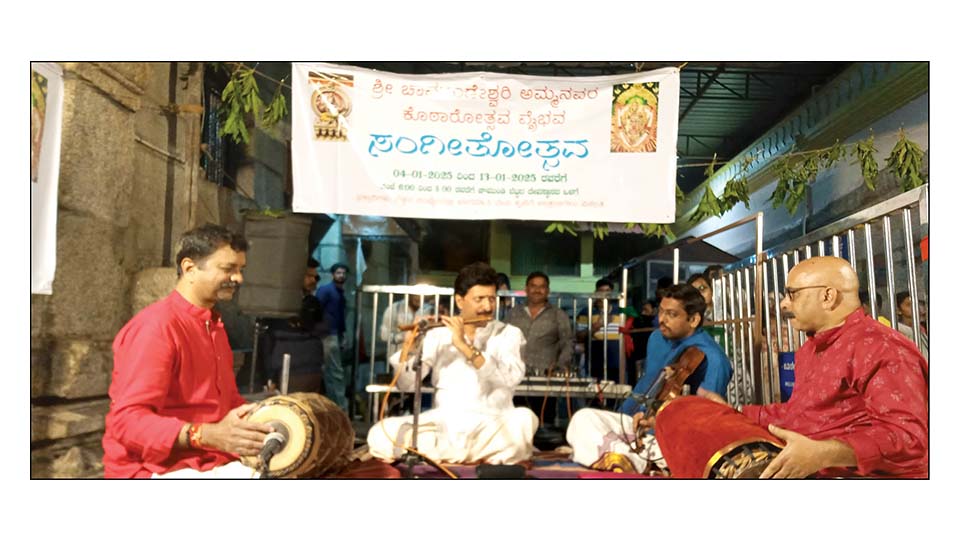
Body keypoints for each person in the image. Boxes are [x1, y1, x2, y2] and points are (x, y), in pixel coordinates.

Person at [663, 256, 929, 478]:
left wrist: (825, 453)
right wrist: (734, 412)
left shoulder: (882, 348)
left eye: (792, 294)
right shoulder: (811, 348)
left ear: (828, 296)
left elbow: (908, 438)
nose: (783, 304)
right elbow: (799, 415)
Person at [102, 224, 273, 478]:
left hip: (210, 462)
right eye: (228, 269)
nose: (238, 278)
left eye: (240, 269)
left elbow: (224, 404)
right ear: (189, 268)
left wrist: (265, 415)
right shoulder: (156, 327)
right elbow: (126, 422)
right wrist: (206, 435)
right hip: (154, 471)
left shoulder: (213, 324)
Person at [367, 262, 538, 465]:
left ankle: (446, 455)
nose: (488, 307)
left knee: (524, 420)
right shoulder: (438, 334)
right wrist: (410, 347)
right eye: (479, 299)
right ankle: (476, 455)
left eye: (492, 299)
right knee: (380, 433)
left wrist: (465, 347)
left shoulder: (509, 334)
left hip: (492, 423)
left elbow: (510, 379)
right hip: (446, 424)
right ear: (459, 301)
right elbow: (406, 384)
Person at [565, 283, 733, 473]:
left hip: (668, 438)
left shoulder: (713, 360)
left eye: (672, 314)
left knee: (594, 439)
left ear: (693, 320)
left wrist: (658, 423)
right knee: (583, 418)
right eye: (661, 312)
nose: (661, 319)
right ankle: (625, 458)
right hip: (633, 425)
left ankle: (627, 459)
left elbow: (705, 424)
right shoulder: (656, 338)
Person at [505, 271, 574, 428]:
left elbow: (567, 342)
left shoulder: (558, 315)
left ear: (547, 290)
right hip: (515, 378)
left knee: (544, 425)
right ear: (526, 289)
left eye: (542, 287)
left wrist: (561, 366)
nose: (537, 290)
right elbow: (502, 341)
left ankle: (543, 451)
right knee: (515, 422)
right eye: (533, 286)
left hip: (546, 379)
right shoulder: (513, 313)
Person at [315, 262, 350, 410]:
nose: (341, 275)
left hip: (334, 334)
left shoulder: (339, 293)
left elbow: (340, 317)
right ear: (332, 275)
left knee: (331, 372)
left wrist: (343, 334)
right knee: (334, 372)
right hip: (327, 334)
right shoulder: (326, 291)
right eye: (338, 273)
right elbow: (316, 310)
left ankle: (334, 406)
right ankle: (339, 407)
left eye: (343, 273)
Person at [576, 278, 623, 383]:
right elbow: (579, 336)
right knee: (595, 396)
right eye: (601, 291)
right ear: (596, 293)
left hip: (616, 363)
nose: (604, 295)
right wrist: (596, 327)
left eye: (608, 291)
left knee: (615, 395)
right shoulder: (586, 311)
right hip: (595, 363)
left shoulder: (621, 311)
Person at [895, 291, 928, 357]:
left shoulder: (920, 329)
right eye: (908, 305)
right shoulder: (898, 330)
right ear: (898, 310)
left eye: (915, 304)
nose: (914, 307)